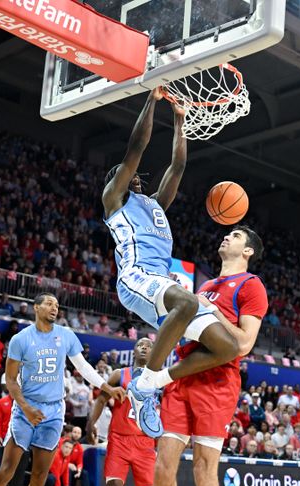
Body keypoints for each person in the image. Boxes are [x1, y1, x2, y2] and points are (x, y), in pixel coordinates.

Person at [101, 89, 241, 439]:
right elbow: (135, 150)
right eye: (122, 172)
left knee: (227, 348)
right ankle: (146, 384)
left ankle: (152, 383)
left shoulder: (156, 205)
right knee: (188, 299)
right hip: (135, 280)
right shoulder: (114, 199)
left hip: (161, 288)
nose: (130, 173)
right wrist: (152, 99)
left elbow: (178, 165)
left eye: (131, 173)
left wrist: (180, 120)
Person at [0, 292, 125, 486]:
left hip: (53, 411)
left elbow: (83, 367)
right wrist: (26, 408)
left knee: (40, 476)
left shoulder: (65, 335)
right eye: (49, 303)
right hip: (25, 408)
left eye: (57, 304)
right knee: (7, 469)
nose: (55, 307)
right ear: (36, 308)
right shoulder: (21, 339)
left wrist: (106, 387)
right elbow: (10, 380)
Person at [154, 226, 268, 486]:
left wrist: (213, 310)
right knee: (163, 465)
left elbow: (243, 344)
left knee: (204, 469)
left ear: (248, 251)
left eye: (236, 236)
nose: (227, 237)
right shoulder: (204, 288)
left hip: (216, 381)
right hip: (182, 375)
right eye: (227, 234)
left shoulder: (251, 285)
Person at [87, 337, 157, 486]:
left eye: (148, 346)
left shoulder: (158, 377)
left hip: (145, 442)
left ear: (153, 352)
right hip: (119, 439)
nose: (144, 348)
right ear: (133, 351)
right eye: (140, 345)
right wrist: (90, 423)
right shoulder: (119, 374)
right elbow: (101, 400)